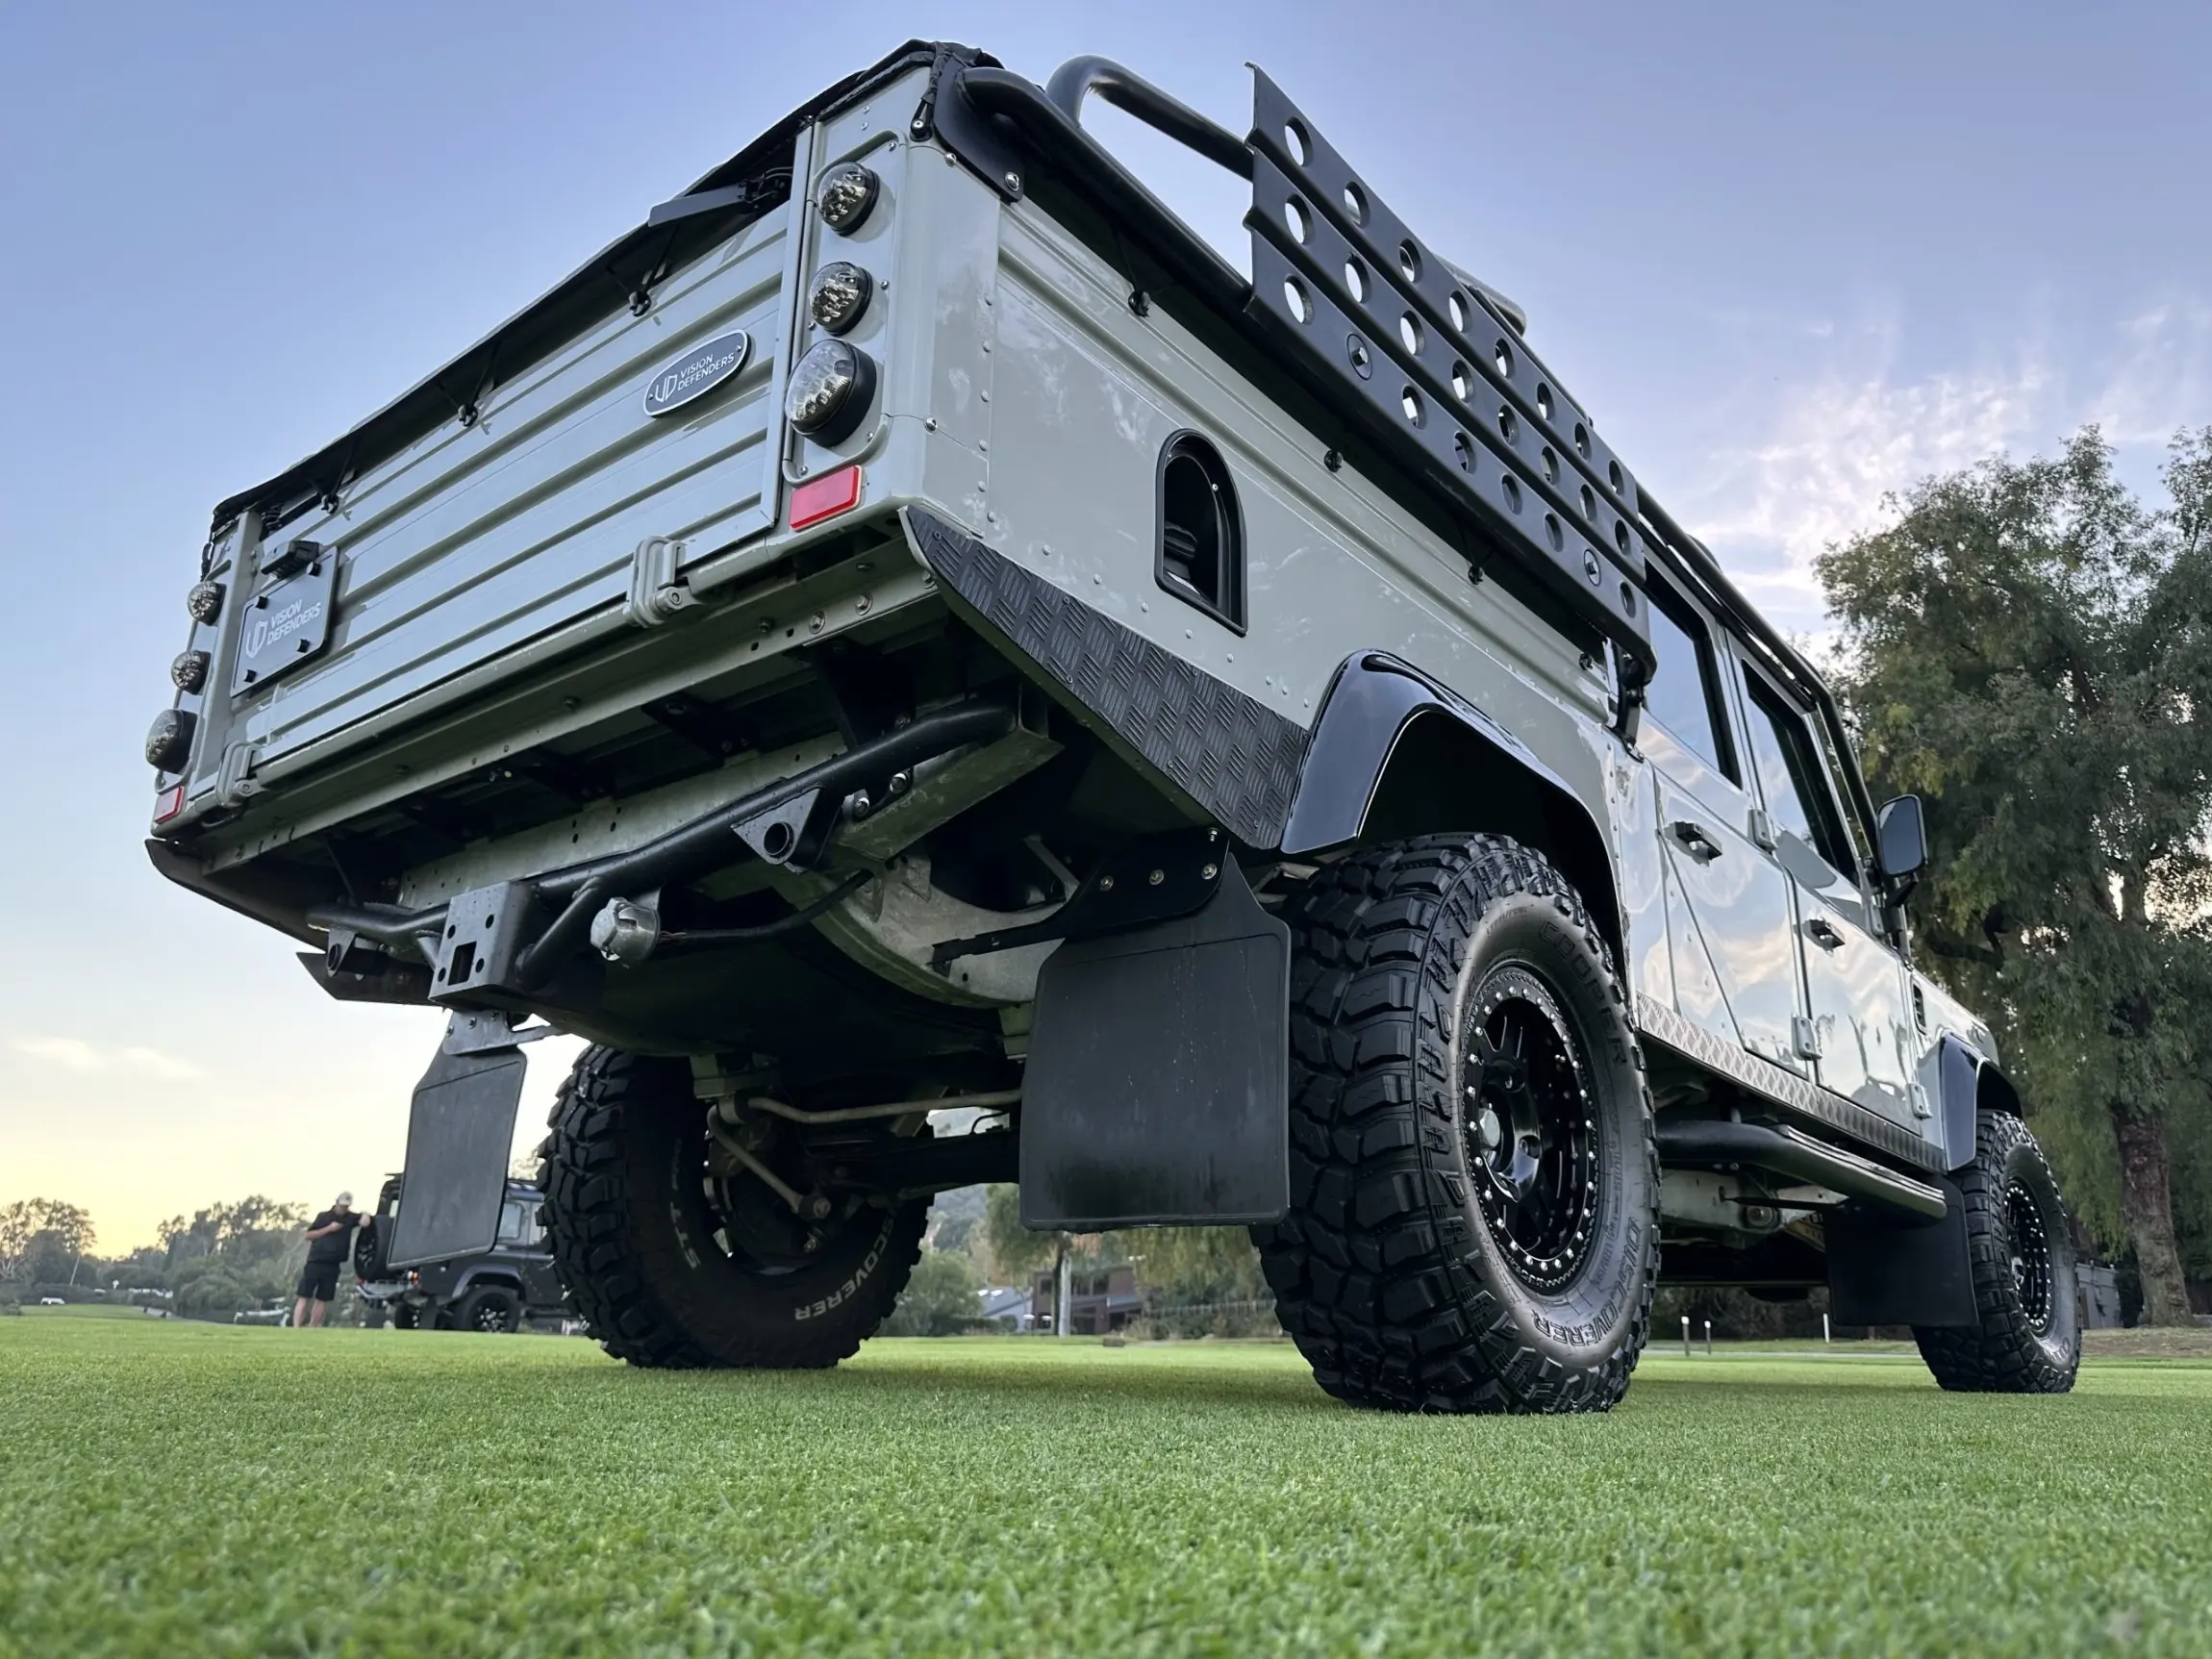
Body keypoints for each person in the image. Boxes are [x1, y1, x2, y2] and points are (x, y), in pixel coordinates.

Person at [293, 1192, 365, 1328]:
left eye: (346, 1207)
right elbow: (309, 1235)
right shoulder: (324, 1217)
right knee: (305, 1295)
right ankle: (297, 1326)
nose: (343, 1209)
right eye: (341, 1206)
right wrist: (329, 1229)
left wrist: (366, 1216)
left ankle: (313, 1326)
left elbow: (362, 1216)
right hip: (316, 1261)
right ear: (336, 1203)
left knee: (323, 1298)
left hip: (333, 1264)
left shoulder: (349, 1218)